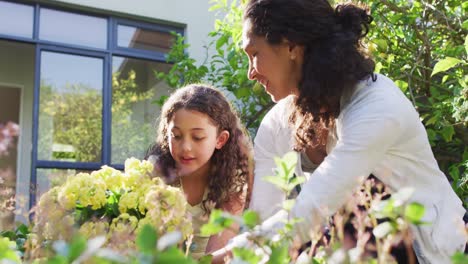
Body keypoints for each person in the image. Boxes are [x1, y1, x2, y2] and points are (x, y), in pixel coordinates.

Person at [239, 0, 466, 263]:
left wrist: (240, 254)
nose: (250, 73)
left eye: (254, 54)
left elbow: (317, 203)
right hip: (364, 250)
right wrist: (241, 250)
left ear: (291, 46)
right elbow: (265, 213)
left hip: (438, 253)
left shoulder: (377, 105)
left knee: (351, 202)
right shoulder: (276, 123)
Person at [145, 84, 253, 262]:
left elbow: (218, 249)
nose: (185, 147)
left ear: (220, 139)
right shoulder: (156, 173)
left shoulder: (232, 182)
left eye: (197, 137)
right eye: (177, 136)